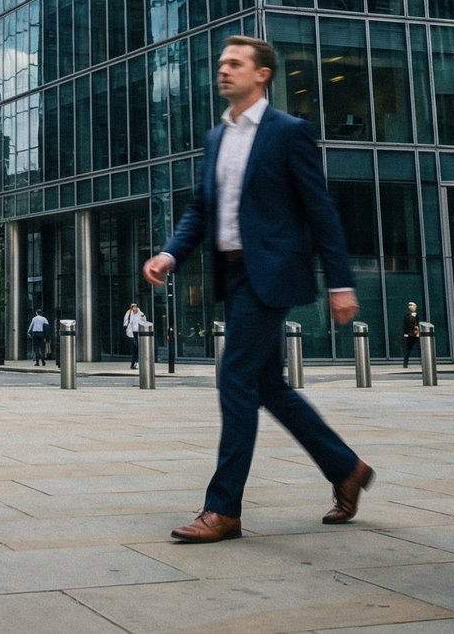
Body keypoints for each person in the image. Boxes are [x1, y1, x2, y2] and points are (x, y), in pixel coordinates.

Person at [144, 36, 370, 544]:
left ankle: (223, 508)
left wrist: (340, 282)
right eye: (222, 63)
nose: (223, 70)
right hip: (234, 273)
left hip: (270, 273)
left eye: (235, 63)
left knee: (236, 378)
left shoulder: (289, 133)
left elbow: (320, 212)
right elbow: (200, 209)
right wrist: (170, 253)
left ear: (262, 74)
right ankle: (347, 467)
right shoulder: (216, 138)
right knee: (267, 384)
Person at [122, 301, 144, 368]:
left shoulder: (139, 313)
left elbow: (144, 319)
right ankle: (134, 363)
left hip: (138, 332)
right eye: (132, 306)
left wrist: (139, 312)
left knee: (136, 349)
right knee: (136, 347)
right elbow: (125, 322)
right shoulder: (128, 313)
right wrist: (127, 325)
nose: (134, 308)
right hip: (131, 333)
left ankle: (133, 364)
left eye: (135, 306)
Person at [400, 302, 420, 369]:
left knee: (420, 348)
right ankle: (405, 364)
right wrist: (406, 334)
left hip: (417, 334)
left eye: (412, 305)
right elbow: (405, 326)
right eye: (409, 306)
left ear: (415, 307)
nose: (411, 307)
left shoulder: (418, 316)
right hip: (409, 335)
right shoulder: (407, 316)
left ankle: (424, 362)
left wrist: (418, 333)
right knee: (408, 349)